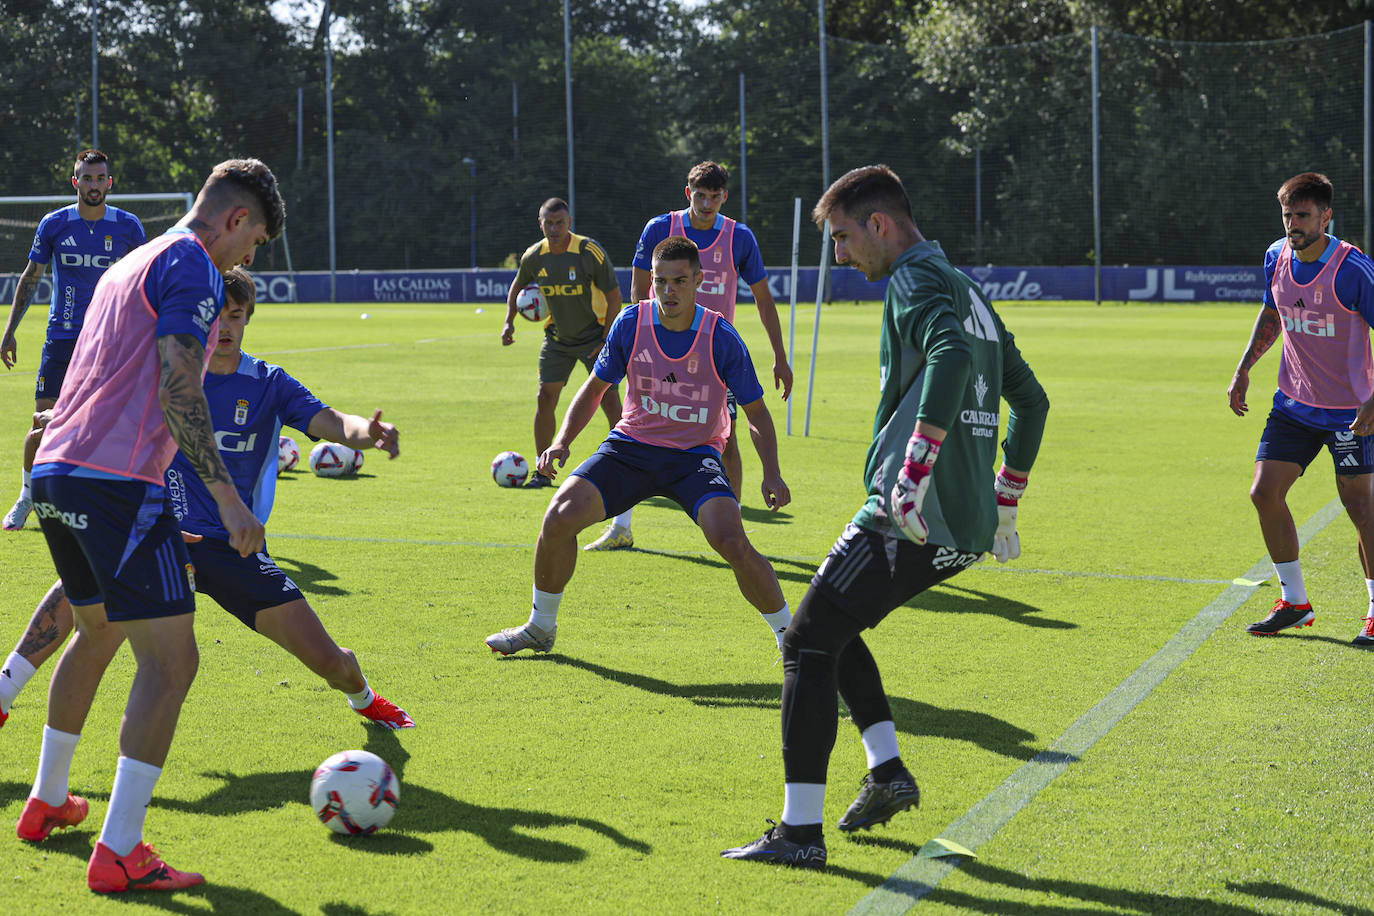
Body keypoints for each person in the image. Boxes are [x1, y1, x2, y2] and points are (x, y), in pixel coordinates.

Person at [723, 165, 1049, 869]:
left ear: (881, 225)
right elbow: (1035, 402)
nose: (840, 255)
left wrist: (915, 468)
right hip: (958, 526)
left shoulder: (912, 280)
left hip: (909, 513)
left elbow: (949, 355)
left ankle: (800, 835)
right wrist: (1006, 503)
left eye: (842, 237)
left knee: (805, 642)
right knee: (829, 624)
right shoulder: (969, 291)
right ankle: (886, 771)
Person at [15, 158, 284, 895]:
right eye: (253, 241)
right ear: (234, 220)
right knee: (171, 663)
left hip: (59, 472)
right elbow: (176, 387)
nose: (248, 259)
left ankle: (46, 800)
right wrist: (228, 499)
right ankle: (121, 848)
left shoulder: (128, 259)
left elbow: (93, 371)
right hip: (118, 486)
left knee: (97, 630)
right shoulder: (193, 266)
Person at [0, 268, 413, 733]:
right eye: (218, 315)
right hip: (161, 531)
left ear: (248, 320)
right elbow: (107, 404)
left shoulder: (268, 383)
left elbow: (331, 422)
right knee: (87, 594)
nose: (227, 326)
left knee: (330, 661)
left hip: (232, 544)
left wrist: (366, 433)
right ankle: (3, 692)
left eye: (237, 315)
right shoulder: (169, 374)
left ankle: (365, 699)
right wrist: (60, 413)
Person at [485, 236, 794, 656]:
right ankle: (540, 628)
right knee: (558, 517)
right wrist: (561, 442)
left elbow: (757, 414)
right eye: (661, 281)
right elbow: (595, 389)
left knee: (731, 540)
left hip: (694, 456)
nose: (669, 291)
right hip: (631, 447)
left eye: (679, 282)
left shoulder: (721, 337)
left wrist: (772, 471)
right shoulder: (631, 323)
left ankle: (793, 641)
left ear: (698, 281)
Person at [586, 161, 794, 550]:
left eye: (715, 196)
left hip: (711, 357)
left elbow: (764, 300)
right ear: (688, 193)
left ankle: (732, 532)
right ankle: (621, 526)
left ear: (725, 197)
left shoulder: (739, 237)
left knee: (727, 440)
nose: (707, 203)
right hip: (657, 350)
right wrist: (642, 341)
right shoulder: (659, 229)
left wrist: (780, 356)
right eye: (701, 195)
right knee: (634, 430)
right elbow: (637, 290)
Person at [1228, 171, 1374, 646]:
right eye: (1287, 214)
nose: (1293, 224)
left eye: (1303, 215)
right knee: (1263, 493)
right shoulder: (1276, 255)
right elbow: (1273, 311)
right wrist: (1245, 366)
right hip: (1293, 404)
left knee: (1360, 507)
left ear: (1326, 216)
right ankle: (1295, 602)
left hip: (1352, 412)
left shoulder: (1353, 269)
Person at [1, 149, 147, 530]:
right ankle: (27, 495)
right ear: (75, 182)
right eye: (87, 178)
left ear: (109, 182)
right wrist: (9, 331)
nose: (94, 185)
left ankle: (103, 501)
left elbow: (146, 284)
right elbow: (31, 277)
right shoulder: (55, 223)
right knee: (41, 423)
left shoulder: (129, 227)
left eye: (100, 178)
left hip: (109, 343)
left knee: (112, 425)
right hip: (62, 340)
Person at [502, 198, 624, 488]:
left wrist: (607, 339)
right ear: (540, 223)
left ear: (570, 223)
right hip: (557, 339)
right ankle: (542, 471)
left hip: (595, 337)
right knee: (545, 398)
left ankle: (626, 468)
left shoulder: (587, 251)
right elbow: (517, 286)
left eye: (560, 223)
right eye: (549, 223)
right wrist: (509, 321)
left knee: (609, 400)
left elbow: (615, 296)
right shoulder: (535, 256)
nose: (554, 228)